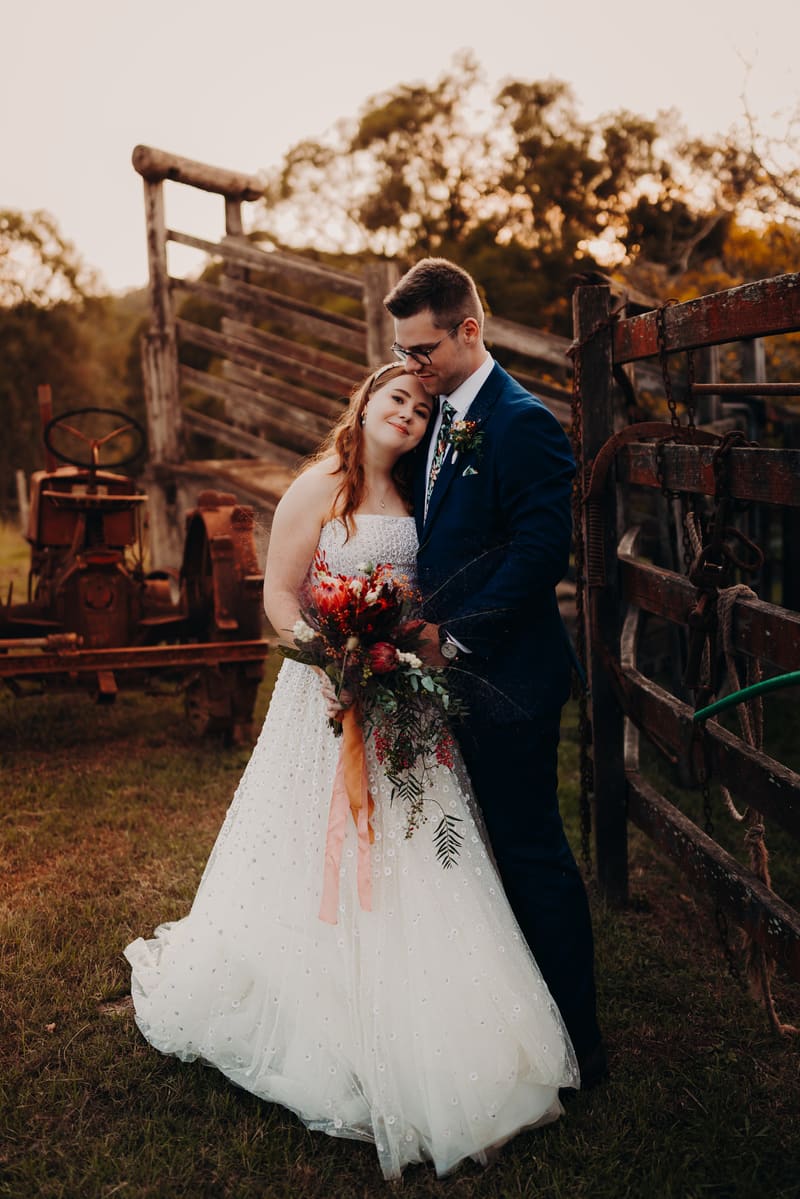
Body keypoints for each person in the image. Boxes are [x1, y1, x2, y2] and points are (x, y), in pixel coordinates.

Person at [124, 361, 579, 1182]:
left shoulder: (420, 499)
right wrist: (331, 656)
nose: (408, 412)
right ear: (365, 401)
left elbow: (423, 594)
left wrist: (394, 657)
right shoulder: (317, 488)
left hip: (403, 699)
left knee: (422, 849)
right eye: (395, 397)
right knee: (315, 848)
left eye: (422, 405)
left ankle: (447, 1026)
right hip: (326, 698)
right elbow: (279, 596)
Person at [384, 258, 605, 1087]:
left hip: (508, 680)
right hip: (446, 678)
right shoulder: (442, 413)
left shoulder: (523, 422)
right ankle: (514, 1030)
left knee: (530, 851)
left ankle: (580, 1045)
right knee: (474, 856)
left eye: (424, 349)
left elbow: (541, 551)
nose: (413, 365)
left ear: (470, 329)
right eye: (404, 351)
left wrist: (456, 634)